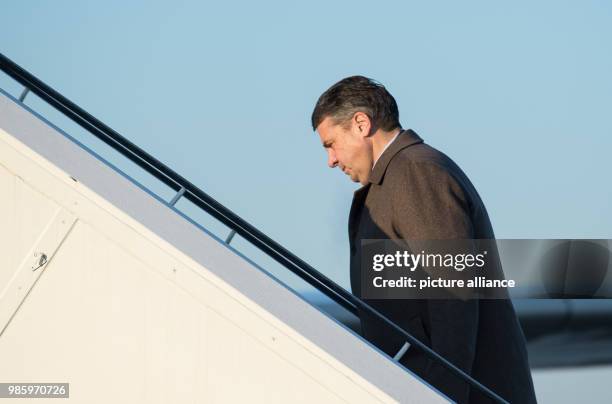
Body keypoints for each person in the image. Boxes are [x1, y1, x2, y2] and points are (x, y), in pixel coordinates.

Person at [311, 76, 537, 403]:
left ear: (361, 124)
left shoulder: (416, 172)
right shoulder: (397, 178)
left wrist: (439, 395)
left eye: (330, 143)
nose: (330, 160)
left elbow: (453, 295)